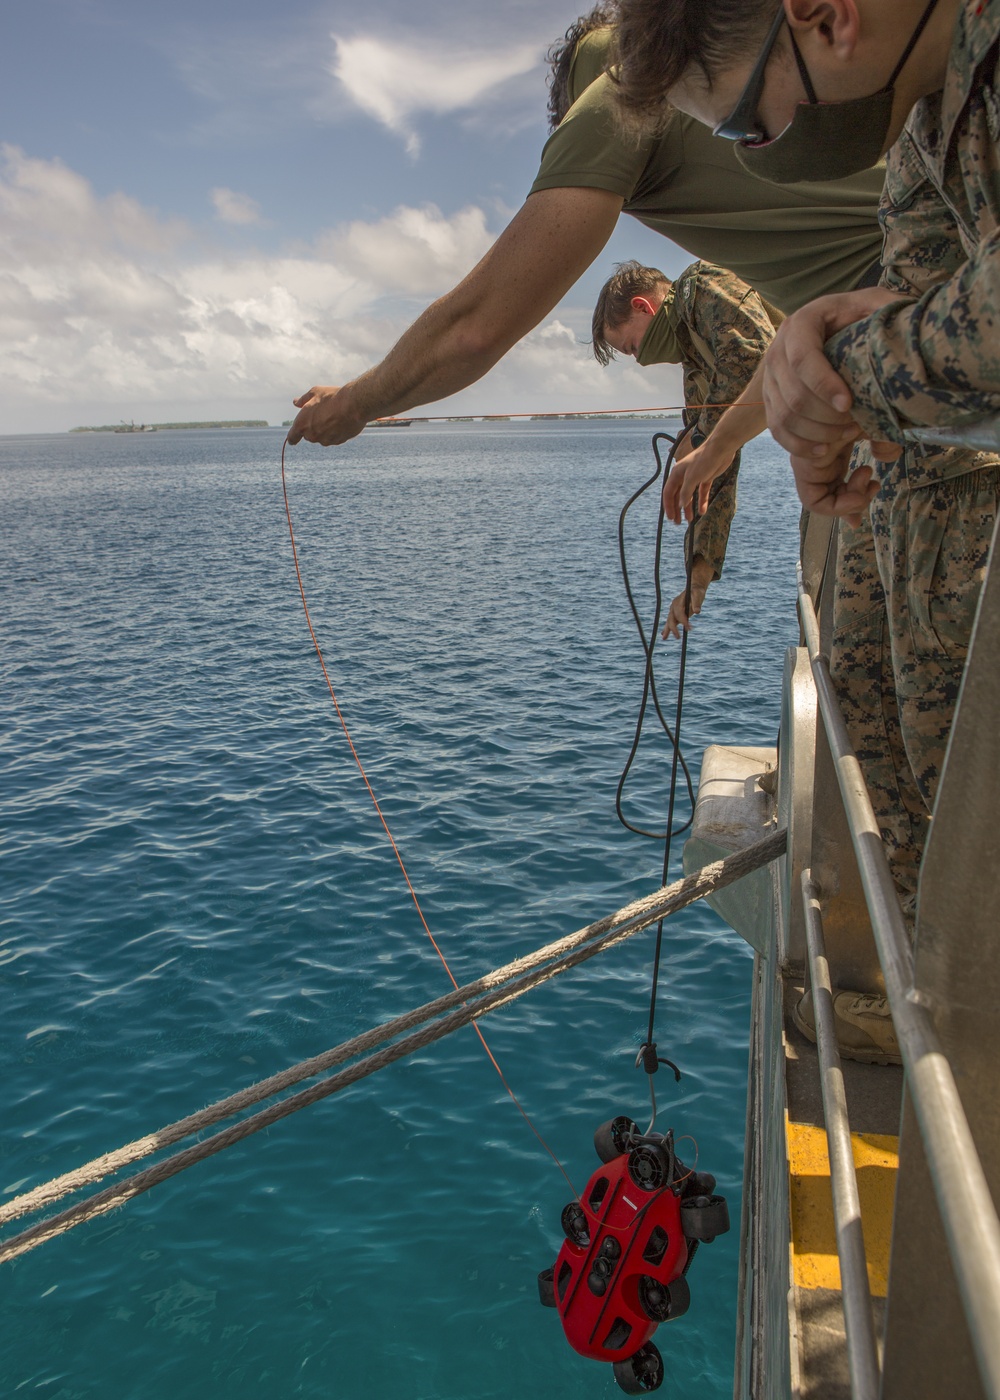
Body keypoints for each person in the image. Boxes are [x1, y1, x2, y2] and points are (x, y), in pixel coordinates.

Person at [611, 0, 1000, 1064]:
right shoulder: (926, 125)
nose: (758, 157)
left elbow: (866, 351)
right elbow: (908, 299)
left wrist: (833, 379)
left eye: (743, 126)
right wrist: (818, 382)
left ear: (823, 18)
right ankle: (925, 1017)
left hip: (961, 498)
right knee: (906, 764)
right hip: (909, 492)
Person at [288, 13, 885, 449]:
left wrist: (354, 405)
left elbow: (474, 330)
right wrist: (711, 456)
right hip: (909, 284)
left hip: (902, 292)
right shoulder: (711, 71)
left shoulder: (617, 97)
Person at [592, 259, 779, 636]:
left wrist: (703, 439)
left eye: (631, 347)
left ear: (643, 307)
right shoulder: (696, 370)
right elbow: (715, 474)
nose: (640, 361)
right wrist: (696, 582)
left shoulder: (702, 288)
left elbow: (755, 357)